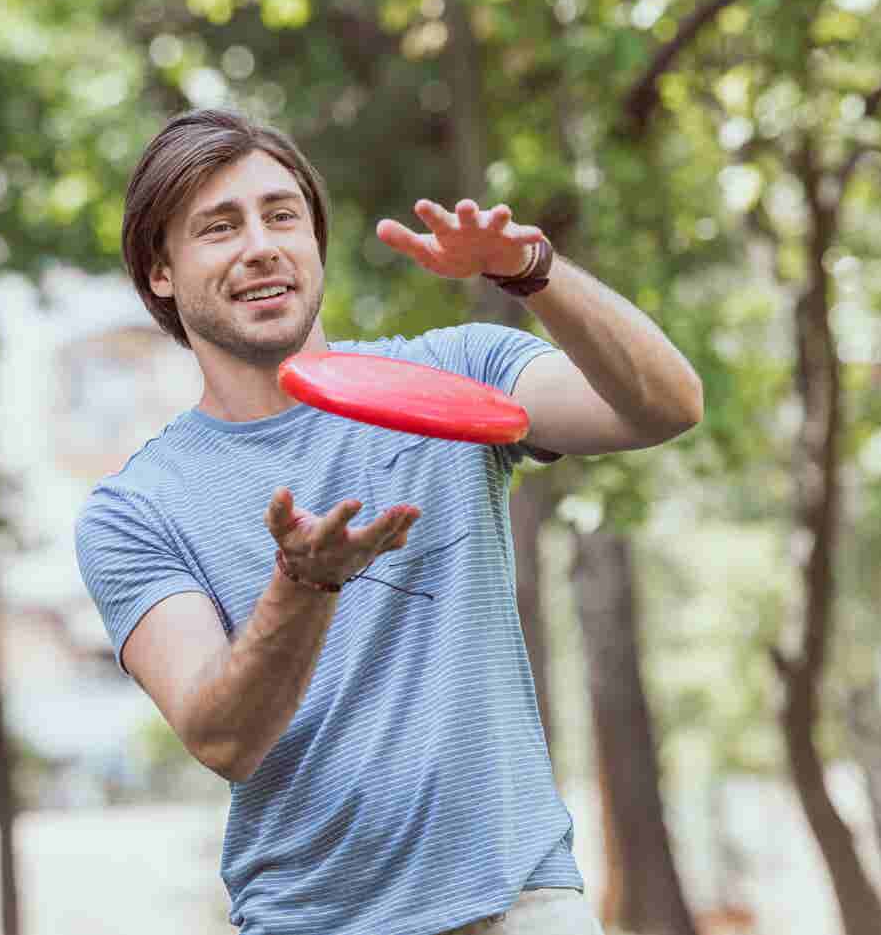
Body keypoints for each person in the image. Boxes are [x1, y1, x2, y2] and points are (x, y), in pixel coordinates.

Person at [75, 108, 703, 935]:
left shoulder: (456, 376)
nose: (261, 244)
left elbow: (664, 406)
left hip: (520, 906)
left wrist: (532, 269)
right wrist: (302, 587)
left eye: (282, 215)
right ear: (161, 272)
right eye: (218, 227)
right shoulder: (135, 509)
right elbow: (223, 738)